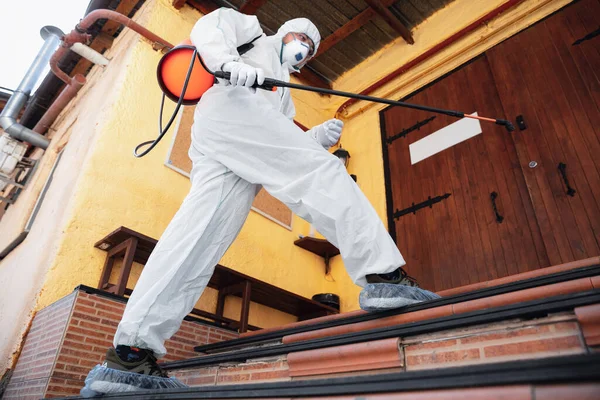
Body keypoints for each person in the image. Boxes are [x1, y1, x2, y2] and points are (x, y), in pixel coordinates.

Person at [82, 7, 438, 395]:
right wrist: (227, 62)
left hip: (231, 146)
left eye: (311, 47)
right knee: (323, 172)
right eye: (299, 38)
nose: (303, 48)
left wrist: (314, 136)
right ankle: (382, 275)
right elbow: (211, 25)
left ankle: (129, 354)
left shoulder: (284, 95)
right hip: (230, 111)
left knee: (199, 236)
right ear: (283, 33)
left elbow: (278, 139)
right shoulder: (251, 35)